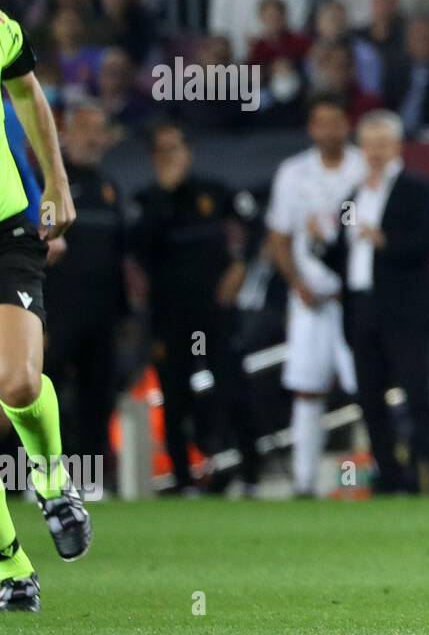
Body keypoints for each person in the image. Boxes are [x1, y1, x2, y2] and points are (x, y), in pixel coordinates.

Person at [0, 9, 89, 613]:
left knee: (20, 379)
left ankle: (53, 482)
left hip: (5, 228)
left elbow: (26, 89)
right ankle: (12, 567)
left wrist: (56, 181)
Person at [131, 121, 261, 497]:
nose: (172, 158)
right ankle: (184, 479)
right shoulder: (146, 201)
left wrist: (239, 264)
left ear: (189, 151)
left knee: (233, 387)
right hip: (170, 314)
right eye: (164, 151)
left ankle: (249, 473)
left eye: (177, 149)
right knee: (174, 395)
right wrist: (164, 195)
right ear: (154, 158)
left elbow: (253, 222)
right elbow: (136, 245)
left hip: (215, 310)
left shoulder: (214, 192)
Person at [326, 111, 429, 493]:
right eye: (369, 145)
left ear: (397, 146)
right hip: (362, 308)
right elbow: (341, 255)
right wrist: (320, 243)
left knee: (417, 397)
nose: (375, 152)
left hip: (404, 310)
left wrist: (386, 242)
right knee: (369, 400)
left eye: (383, 144)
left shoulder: (416, 190)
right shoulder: (353, 196)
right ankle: (391, 479)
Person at [264, 97, 366, 496]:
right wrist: (296, 283)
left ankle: (370, 478)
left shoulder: (363, 168)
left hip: (353, 296)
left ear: (347, 125)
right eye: (321, 123)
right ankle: (305, 482)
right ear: (311, 128)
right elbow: (279, 235)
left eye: (336, 122)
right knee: (308, 388)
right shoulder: (293, 173)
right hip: (309, 297)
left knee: (367, 387)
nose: (329, 130)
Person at [43, 101, 128, 479]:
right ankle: (40, 480)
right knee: (47, 397)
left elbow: (118, 256)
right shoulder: (51, 181)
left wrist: (123, 311)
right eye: (87, 129)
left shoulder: (109, 187)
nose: (95, 138)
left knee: (98, 397)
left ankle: (90, 482)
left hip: (100, 312)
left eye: (100, 130)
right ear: (69, 133)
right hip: (57, 310)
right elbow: (35, 247)